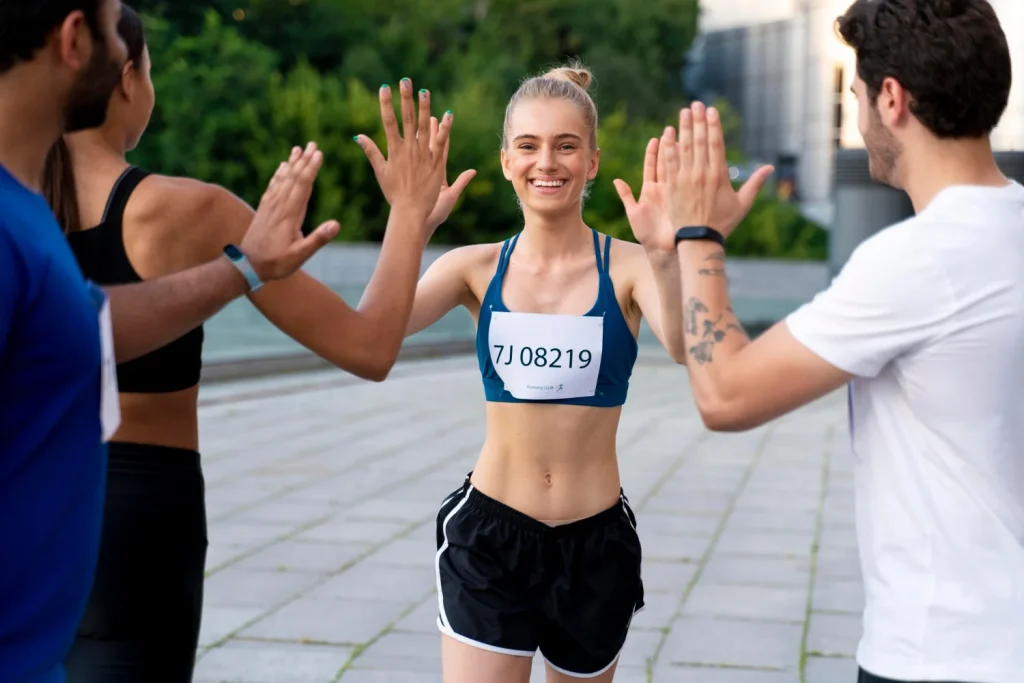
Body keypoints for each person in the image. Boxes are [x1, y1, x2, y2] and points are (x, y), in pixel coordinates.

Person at [0, 1, 452, 682]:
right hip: (142, 512)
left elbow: (91, 324)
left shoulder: (26, 207)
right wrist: (411, 214)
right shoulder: (188, 210)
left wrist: (239, 268)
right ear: (125, 79)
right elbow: (369, 346)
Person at [628, 1, 1023, 682]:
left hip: (946, 653)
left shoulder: (919, 259)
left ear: (892, 99)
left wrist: (698, 234)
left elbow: (725, 393)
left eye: (857, 97)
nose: (859, 120)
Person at [377, 62, 688, 682]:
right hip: (490, 537)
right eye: (529, 146)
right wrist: (409, 222)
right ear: (505, 160)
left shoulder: (627, 268)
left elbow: (685, 346)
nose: (548, 162)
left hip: (595, 544)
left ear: (593, 161)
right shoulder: (474, 268)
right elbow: (376, 329)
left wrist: (669, 256)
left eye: (566, 146)